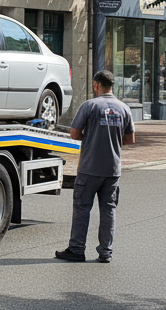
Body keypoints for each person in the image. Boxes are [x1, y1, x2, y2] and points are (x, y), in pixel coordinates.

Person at [56, 70, 135, 263]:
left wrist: (92, 137)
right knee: (108, 211)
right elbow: (130, 139)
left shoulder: (89, 106)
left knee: (82, 209)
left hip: (89, 168)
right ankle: (106, 252)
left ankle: (77, 249)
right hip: (112, 170)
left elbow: (74, 134)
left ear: (96, 85)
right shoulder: (124, 108)